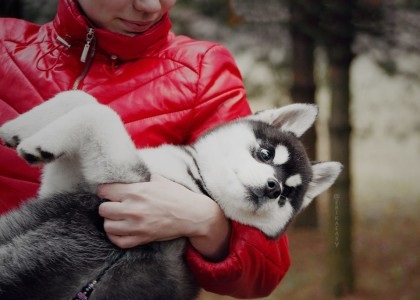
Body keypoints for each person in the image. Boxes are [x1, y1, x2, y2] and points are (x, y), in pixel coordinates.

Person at [0, 0, 290, 298]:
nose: (150, 6)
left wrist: (205, 221)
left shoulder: (201, 72)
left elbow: (265, 268)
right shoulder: (4, 44)